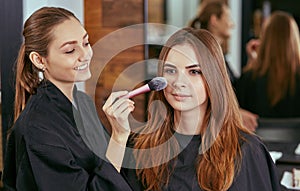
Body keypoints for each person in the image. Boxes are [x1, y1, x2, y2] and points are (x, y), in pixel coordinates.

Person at [103, 28, 281, 191]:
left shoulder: (247, 151)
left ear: (214, 78)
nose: (179, 82)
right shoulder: (139, 148)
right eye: (170, 71)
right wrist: (118, 136)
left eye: (194, 72)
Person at [2, 7, 134, 191]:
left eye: (86, 43)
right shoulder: (38, 129)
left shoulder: (82, 102)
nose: (85, 55)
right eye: (70, 50)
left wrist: (123, 134)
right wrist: (118, 137)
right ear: (39, 60)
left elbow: (107, 164)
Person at [188, 0, 259, 131]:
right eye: (228, 18)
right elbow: (207, 97)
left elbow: (232, 89)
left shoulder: (218, 55)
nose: (232, 24)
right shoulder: (204, 54)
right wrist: (235, 113)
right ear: (214, 20)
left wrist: (251, 62)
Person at [236, 11, 300, 118]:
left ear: (265, 40)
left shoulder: (248, 80)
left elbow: (232, 115)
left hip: (257, 135)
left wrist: (251, 65)